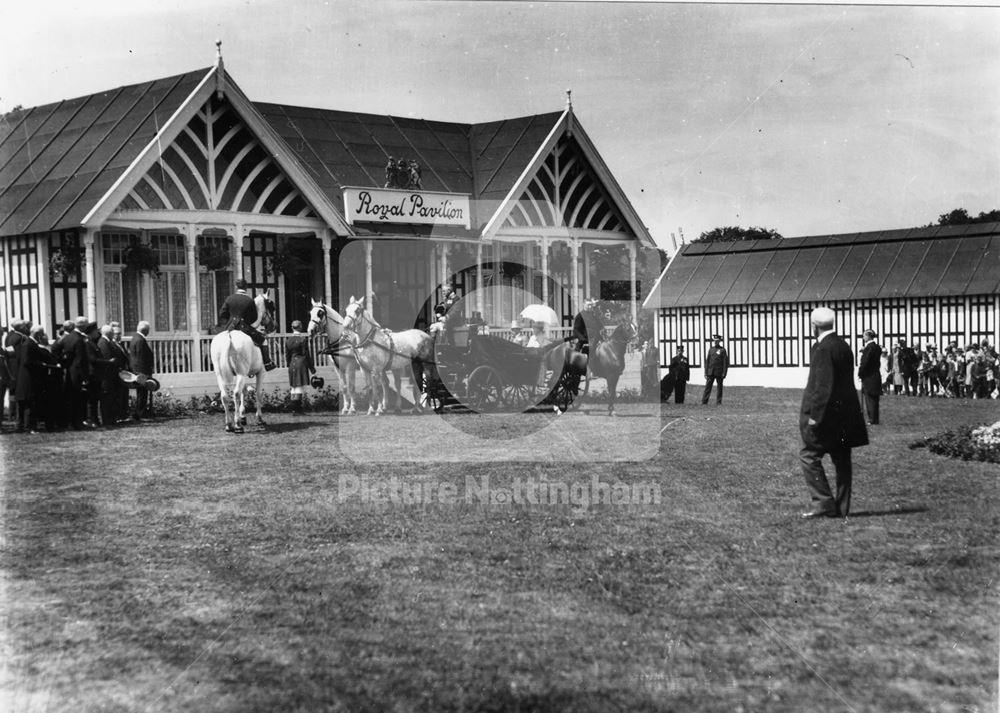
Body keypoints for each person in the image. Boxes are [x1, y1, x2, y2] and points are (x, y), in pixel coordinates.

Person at [799, 307, 868, 519]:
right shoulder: (843, 346)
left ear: (814, 326)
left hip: (826, 416)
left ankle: (823, 502)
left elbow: (822, 387)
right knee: (842, 461)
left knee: (809, 456)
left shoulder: (822, 349)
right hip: (845, 417)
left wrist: (814, 417)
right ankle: (842, 506)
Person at [218, 278, 275, 371]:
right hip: (244, 328)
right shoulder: (249, 300)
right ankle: (267, 363)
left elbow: (222, 314)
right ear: (246, 288)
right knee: (263, 340)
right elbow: (253, 318)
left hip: (230, 327)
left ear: (236, 287)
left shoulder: (229, 298)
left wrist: (230, 319)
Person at [285, 320, 315, 416]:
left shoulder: (288, 340)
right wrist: (312, 368)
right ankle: (297, 410)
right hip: (300, 363)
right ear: (301, 327)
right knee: (299, 386)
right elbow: (306, 354)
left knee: (294, 387)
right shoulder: (303, 340)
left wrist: (289, 365)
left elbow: (287, 356)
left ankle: (295, 409)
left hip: (292, 364)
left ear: (292, 328)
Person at [128, 320, 155, 420]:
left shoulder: (136, 338)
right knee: (142, 394)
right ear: (146, 330)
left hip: (139, 370)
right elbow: (141, 358)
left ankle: (139, 413)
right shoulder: (140, 340)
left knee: (142, 393)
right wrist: (144, 373)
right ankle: (140, 414)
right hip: (141, 371)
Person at [857, 329, 882, 425]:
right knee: (874, 399)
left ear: (868, 336)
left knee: (869, 398)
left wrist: (860, 373)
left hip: (868, 376)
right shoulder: (877, 347)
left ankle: (871, 419)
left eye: (864, 336)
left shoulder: (869, 348)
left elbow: (865, 362)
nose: (863, 337)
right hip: (875, 375)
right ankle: (875, 419)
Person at [702, 334, 729, 405]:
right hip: (710, 372)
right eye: (714, 340)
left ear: (720, 341)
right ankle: (704, 401)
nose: (715, 342)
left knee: (719, 388)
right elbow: (707, 362)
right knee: (708, 387)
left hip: (719, 372)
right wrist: (705, 372)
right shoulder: (711, 350)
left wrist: (724, 373)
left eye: (717, 340)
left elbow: (725, 363)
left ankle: (718, 402)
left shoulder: (722, 350)